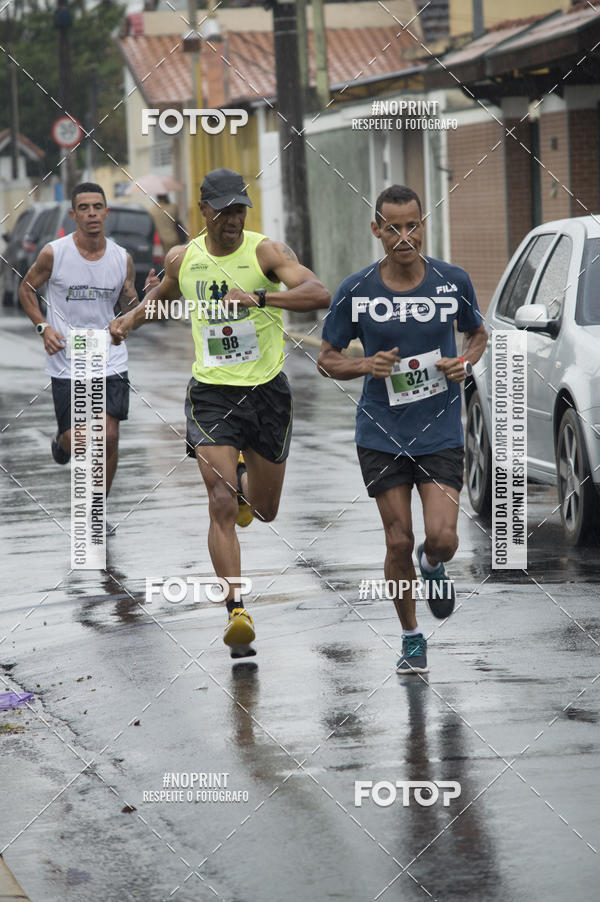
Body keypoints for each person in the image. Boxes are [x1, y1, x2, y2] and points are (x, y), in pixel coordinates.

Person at [109, 168, 330, 657]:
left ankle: (248, 483)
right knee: (220, 500)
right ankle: (236, 611)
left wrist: (260, 297)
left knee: (265, 510)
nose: (233, 219)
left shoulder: (266, 252)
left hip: (267, 392)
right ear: (204, 210)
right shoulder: (183, 258)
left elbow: (319, 293)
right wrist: (129, 319)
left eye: (239, 210)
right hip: (211, 394)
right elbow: (164, 294)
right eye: (224, 210)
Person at [317, 184, 488, 675]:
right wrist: (365, 364)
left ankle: (432, 565)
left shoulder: (452, 281)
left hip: (439, 432)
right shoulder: (357, 289)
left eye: (413, 225)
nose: (404, 236)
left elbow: (477, 333)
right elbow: (327, 358)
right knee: (397, 541)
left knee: (443, 536)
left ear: (423, 225)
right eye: (393, 228)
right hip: (381, 433)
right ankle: (412, 637)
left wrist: (464, 363)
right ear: (377, 230)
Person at [19, 182, 148, 533]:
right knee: (78, 440)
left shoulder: (122, 259)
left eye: (97, 207)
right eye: (84, 208)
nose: (92, 213)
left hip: (110, 358)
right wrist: (43, 327)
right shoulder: (54, 254)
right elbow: (26, 289)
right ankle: (61, 445)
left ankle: (96, 509)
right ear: (73, 214)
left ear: (106, 212)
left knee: (109, 436)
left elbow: (129, 308)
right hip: (67, 360)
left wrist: (140, 301)